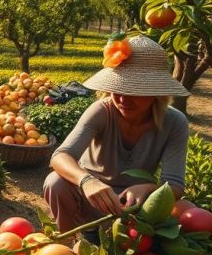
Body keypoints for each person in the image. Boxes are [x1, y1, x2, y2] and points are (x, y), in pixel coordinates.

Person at [44, 34, 189, 232]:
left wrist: (146, 188)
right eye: (117, 88)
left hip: (133, 206)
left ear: (156, 92)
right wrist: (87, 181)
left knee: (186, 210)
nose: (122, 99)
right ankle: (68, 241)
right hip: (91, 197)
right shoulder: (102, 111)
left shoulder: (174, 122)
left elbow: (174, 185)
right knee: (56, 183)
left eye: (134, 91)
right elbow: (60, 156)